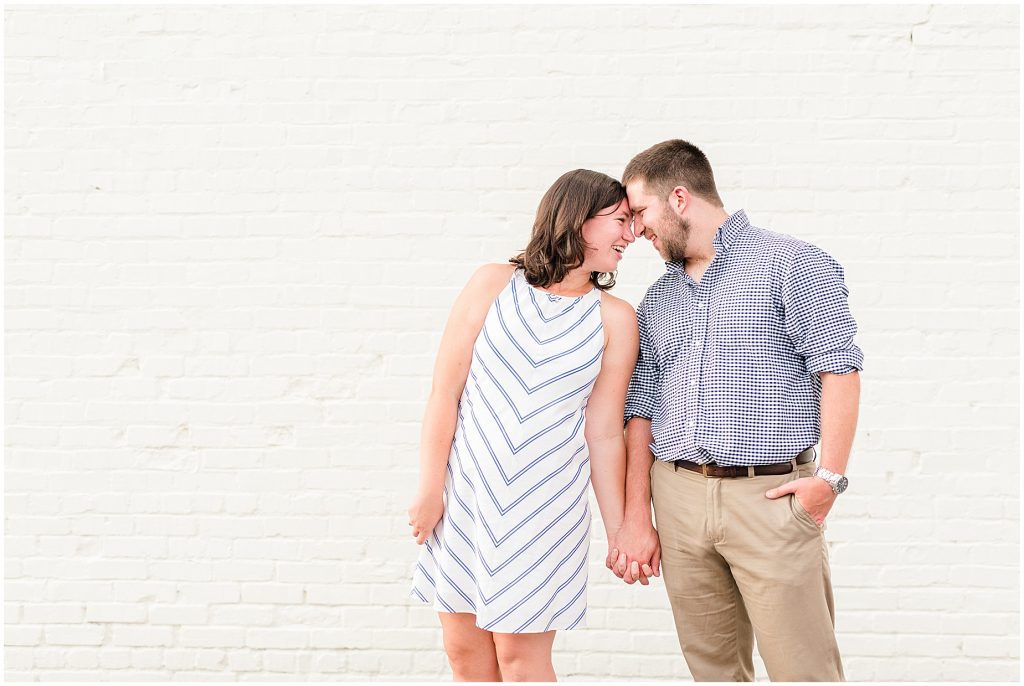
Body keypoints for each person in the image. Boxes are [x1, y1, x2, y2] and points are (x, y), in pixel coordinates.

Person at [614, 139, 862, 682]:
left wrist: (829, 479)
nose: (633, 232)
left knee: (804, 671)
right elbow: (641, 415)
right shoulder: (658, 301)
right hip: (677, 498)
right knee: (714, 671)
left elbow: (839, 370)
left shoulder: (794, 266)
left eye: (639, 213)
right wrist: (637, 515)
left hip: (770, 499)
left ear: (679, 197)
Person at [407, 169, 639, 682]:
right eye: (619, 221)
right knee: (464, 654)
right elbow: (445, 393)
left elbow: (603, 435)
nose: (632, 234)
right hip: (466, 496)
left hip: (543, 509)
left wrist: (620, 527)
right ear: (578, 219)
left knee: (520, 660)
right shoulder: (492, 283)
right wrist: (429, 489)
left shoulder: (615, 319)